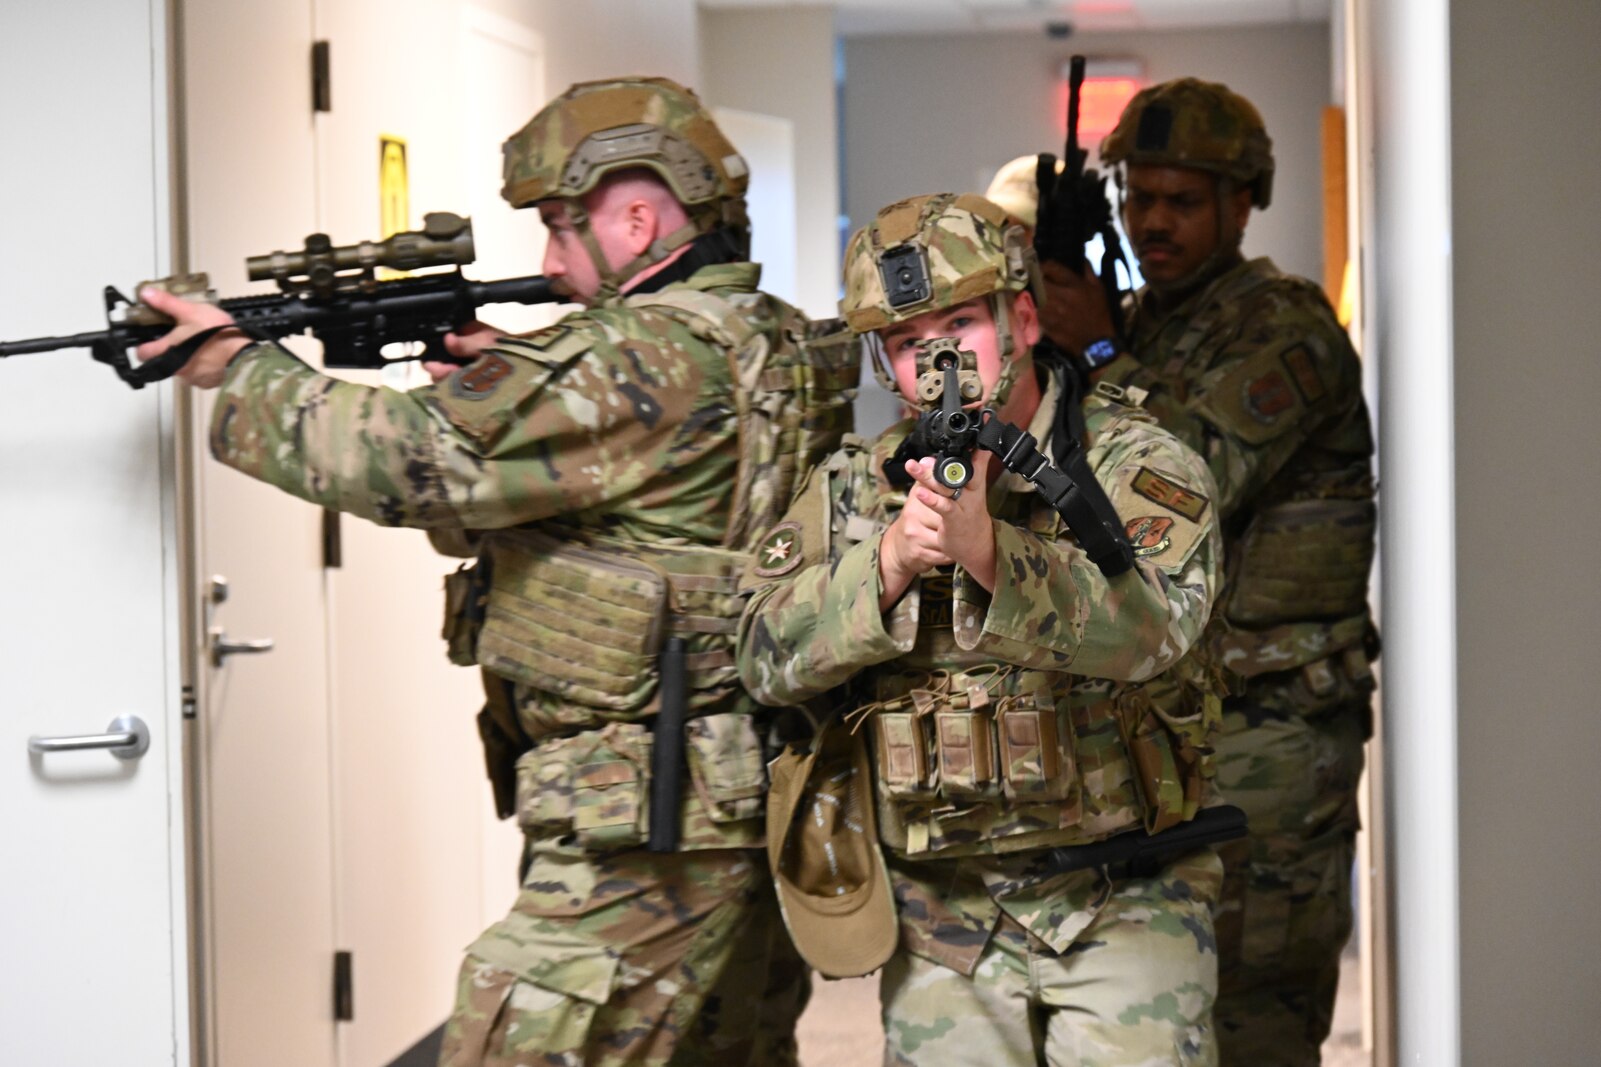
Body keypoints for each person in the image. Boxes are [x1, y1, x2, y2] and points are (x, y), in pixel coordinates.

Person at [135, 75, 858, 1067]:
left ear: (640, 214)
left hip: (644, 809)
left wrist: (239, 366)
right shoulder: (764, 334)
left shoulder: (640, 349)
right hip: (739, 785)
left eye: (562, 226)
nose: (549, 259)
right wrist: (515, 370)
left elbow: (399, 457)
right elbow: (655, 482)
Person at [737, 191, 1229, 1066]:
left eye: (960, 323)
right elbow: (761, 657)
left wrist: (992, 554)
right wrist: (885, 563)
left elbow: (1162, 628)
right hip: (944, 914)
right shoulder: (856, 487)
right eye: (902, 340)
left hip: (1124, 888)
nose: (935, 359)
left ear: (1025, 317)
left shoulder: (1135, 460)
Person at [1036, 78, 1379, 1065]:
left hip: (1270, 738)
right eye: (1137, 198)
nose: (1152, 222)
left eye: (1180, 202)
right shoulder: (1143, 321)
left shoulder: (1287, 329)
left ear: (1241, 202)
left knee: (1252, 1013)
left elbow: (1175, 484)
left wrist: (1093, 344)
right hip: (1167, 727)